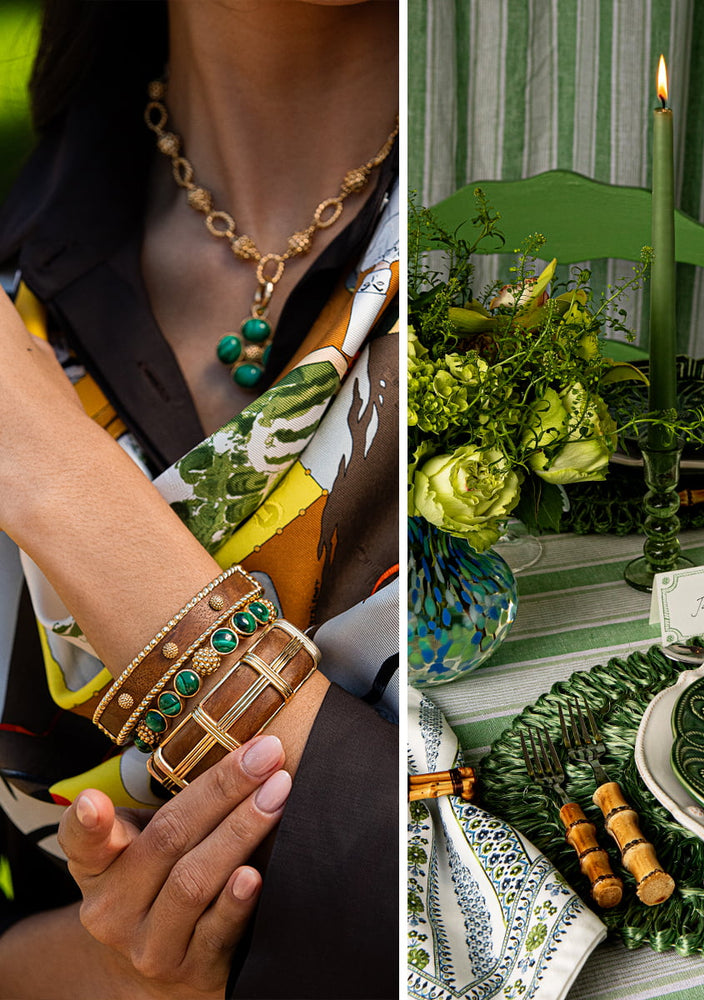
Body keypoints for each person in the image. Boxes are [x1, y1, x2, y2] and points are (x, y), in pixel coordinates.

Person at [0, 1, 399, 997]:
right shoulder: (25, 291)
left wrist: (70, 494)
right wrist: (121, 965)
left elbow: (572, 910)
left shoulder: (547, 275)